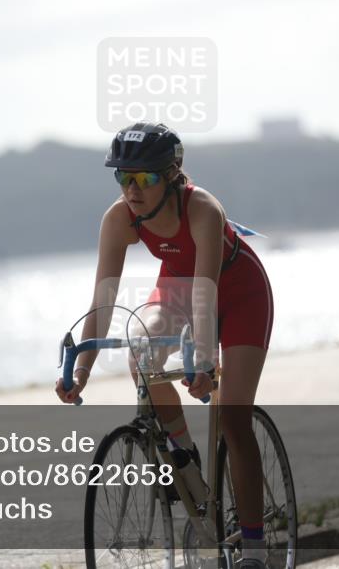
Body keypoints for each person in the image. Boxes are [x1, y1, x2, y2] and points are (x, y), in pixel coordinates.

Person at [55, 122, 274, 568]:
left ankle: (254, 547)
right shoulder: (120, 218)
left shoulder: (203, 209)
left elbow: (207, 291)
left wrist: (203, 358)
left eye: (146, 178)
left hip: (240, 292)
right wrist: (82, 370)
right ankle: (185, 457)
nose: (132, 190)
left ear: (173, 174)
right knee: (140, 351)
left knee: (233, 418)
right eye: (123, 177)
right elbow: (103, 298)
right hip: (177, 287)